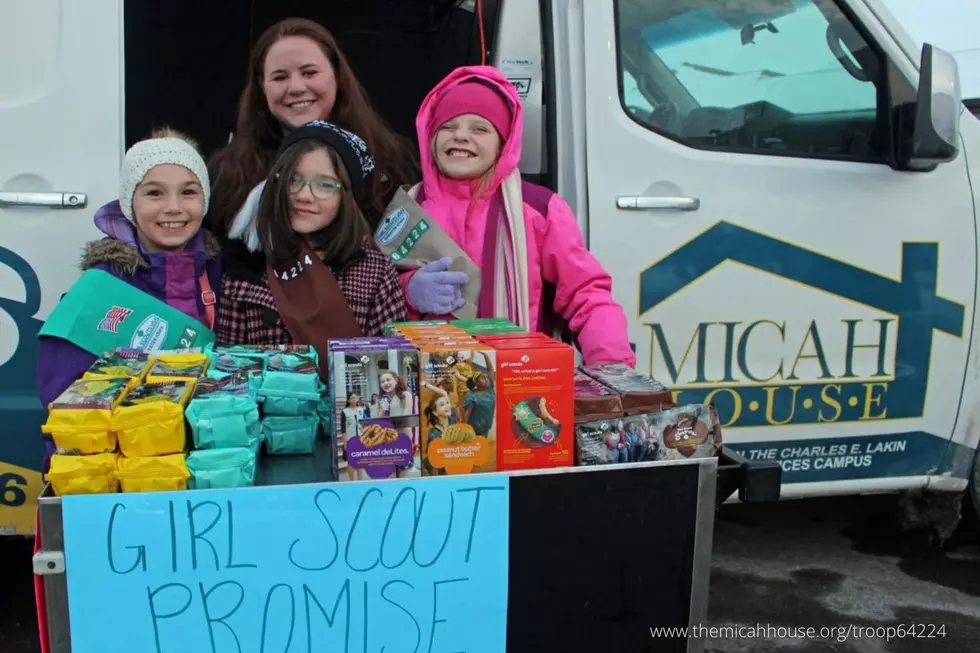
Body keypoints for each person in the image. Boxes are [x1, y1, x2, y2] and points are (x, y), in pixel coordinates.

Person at [400, 65, 635, 367]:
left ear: (504, 142)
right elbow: (371, 292)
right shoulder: (409, 209)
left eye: (479, 129)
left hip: (521, 379)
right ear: (429, 135)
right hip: (427, 387)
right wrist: (408, 290)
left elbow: (586, 295)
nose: (460, 136)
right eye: (447, 126)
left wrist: (612, 365)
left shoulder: (537, 208)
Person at [35, 127, 221, 469]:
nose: (173, 207)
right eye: (154, 193)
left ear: (204, 200)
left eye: (189, 192)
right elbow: (63, 409)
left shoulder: (221, 274)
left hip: (212, 465)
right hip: (128, 472)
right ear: (128, 203)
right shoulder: (98, 291)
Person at [216, 120, 407, 374]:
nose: (304, 195)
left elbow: (391, 372)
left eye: (325, 185)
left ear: (346, 197)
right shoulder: (244, 268)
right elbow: (229, 373)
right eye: (293, 179)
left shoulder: (375, 271)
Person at [207, 17, 418, 238]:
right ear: (262, 87)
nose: (296, 87)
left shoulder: (392, 162)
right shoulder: (227, 175)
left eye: (309, 73)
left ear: (336, 75)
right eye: (280, 77)